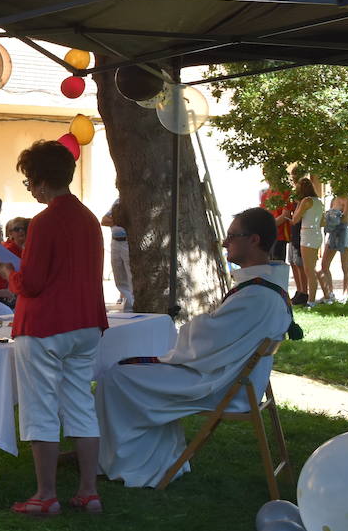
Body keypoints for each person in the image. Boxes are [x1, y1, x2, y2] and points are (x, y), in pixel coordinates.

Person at [97, 208, 292, 488]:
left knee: (116, 377)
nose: (225, 242)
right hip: (233, 378)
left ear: (254, 240)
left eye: (232, 236)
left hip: (222, 386)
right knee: (128, 372)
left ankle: (135, 465)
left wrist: (193, 326)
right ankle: (156, 459)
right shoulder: (266, 288)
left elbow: (206, 341)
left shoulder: (257, 295)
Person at [0, 140, 107, 517]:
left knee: (39, 407)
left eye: (29, 181)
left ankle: (45, 495)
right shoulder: (89, 219)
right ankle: (88, 491)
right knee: (80, 403)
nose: (29, 187)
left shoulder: (44, 222)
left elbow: (33, 284)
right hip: (86, 322)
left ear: (42, 182)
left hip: (45, 326)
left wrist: (10, 274)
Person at [290, 177, 324, 305]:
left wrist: (298, 205)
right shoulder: (319, 201)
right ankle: (321, 296)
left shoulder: (305, 201)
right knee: (313, 268)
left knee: (309, 269)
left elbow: (295, 219)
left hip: (307, 234)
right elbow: (322, 221)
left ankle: (311, 301)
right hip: (316, 233)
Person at [319, 187, 348, 301]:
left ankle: (345, 295)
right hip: (333, 232)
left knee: (345, 265)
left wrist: (333, 217)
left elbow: (346, 217)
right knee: (324, 264)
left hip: (344, 232)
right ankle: (330, 294)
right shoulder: (333, 199)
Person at [100, 199, 132, 311]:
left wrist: (114, 220)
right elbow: (104, 220)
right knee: (119, 275)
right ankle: (127, 303)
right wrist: (119, 220)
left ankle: (132, 304)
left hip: (127, 242)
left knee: (130, 274)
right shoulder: (117, 202)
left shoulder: (133, 201)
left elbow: (131, 222)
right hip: (115, 241)